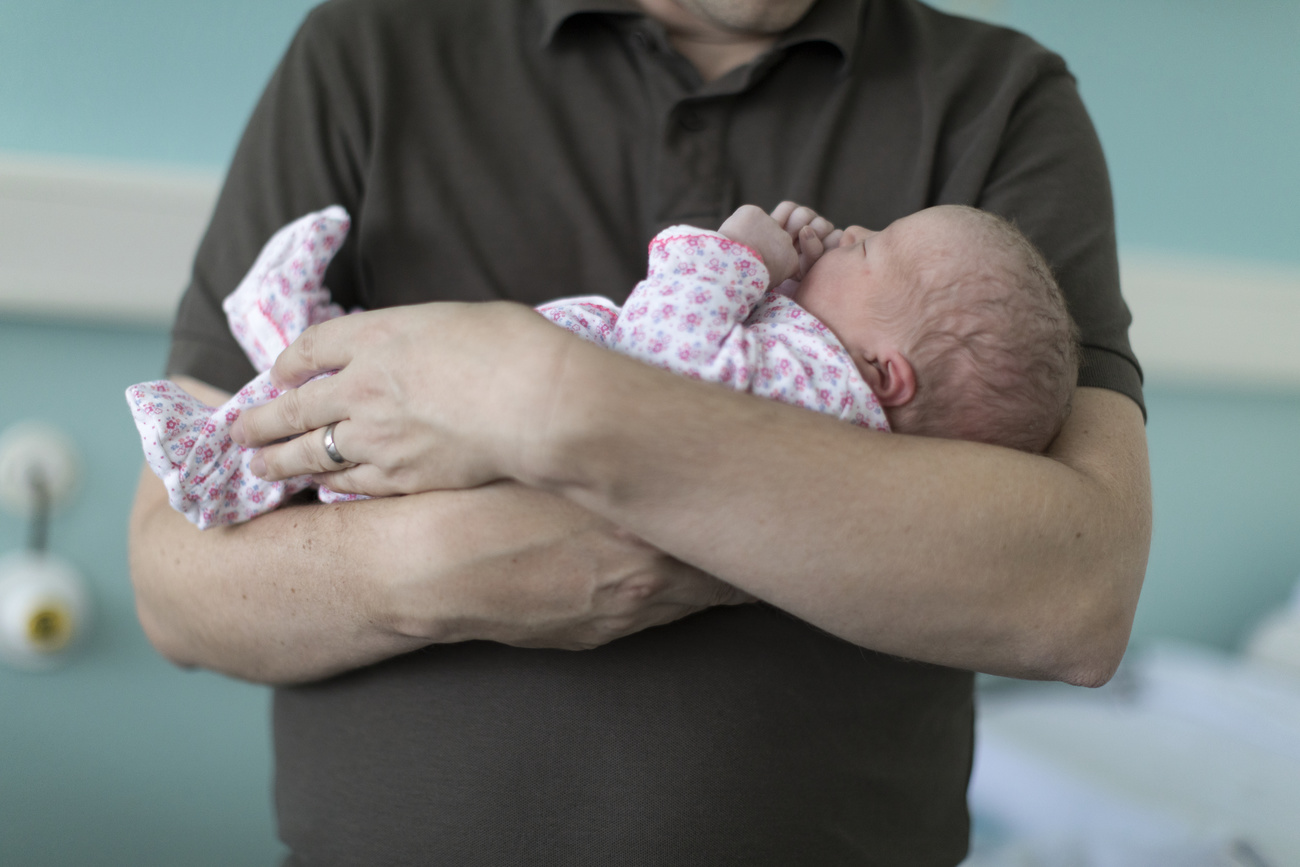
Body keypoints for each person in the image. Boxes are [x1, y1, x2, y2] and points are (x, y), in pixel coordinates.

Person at [128, 1, 1151, 864]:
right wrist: (434, 563)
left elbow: (1072, 598)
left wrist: (534, 394)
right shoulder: (373, 45)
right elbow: (176, 588)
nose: (847, 240)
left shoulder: (994, 99)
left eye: (870, 249)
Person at [131, 199, 1075, 529]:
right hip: (499, 429)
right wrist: (794, 278)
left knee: (345, 409)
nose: (855, 228)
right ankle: (296, 331)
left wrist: (736, 253)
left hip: (491, 451)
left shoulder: (819, 395)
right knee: (382, 370)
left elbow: (660, 371)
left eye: (873, 248)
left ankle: (218, 455)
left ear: (885, 374)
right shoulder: (831, 403)